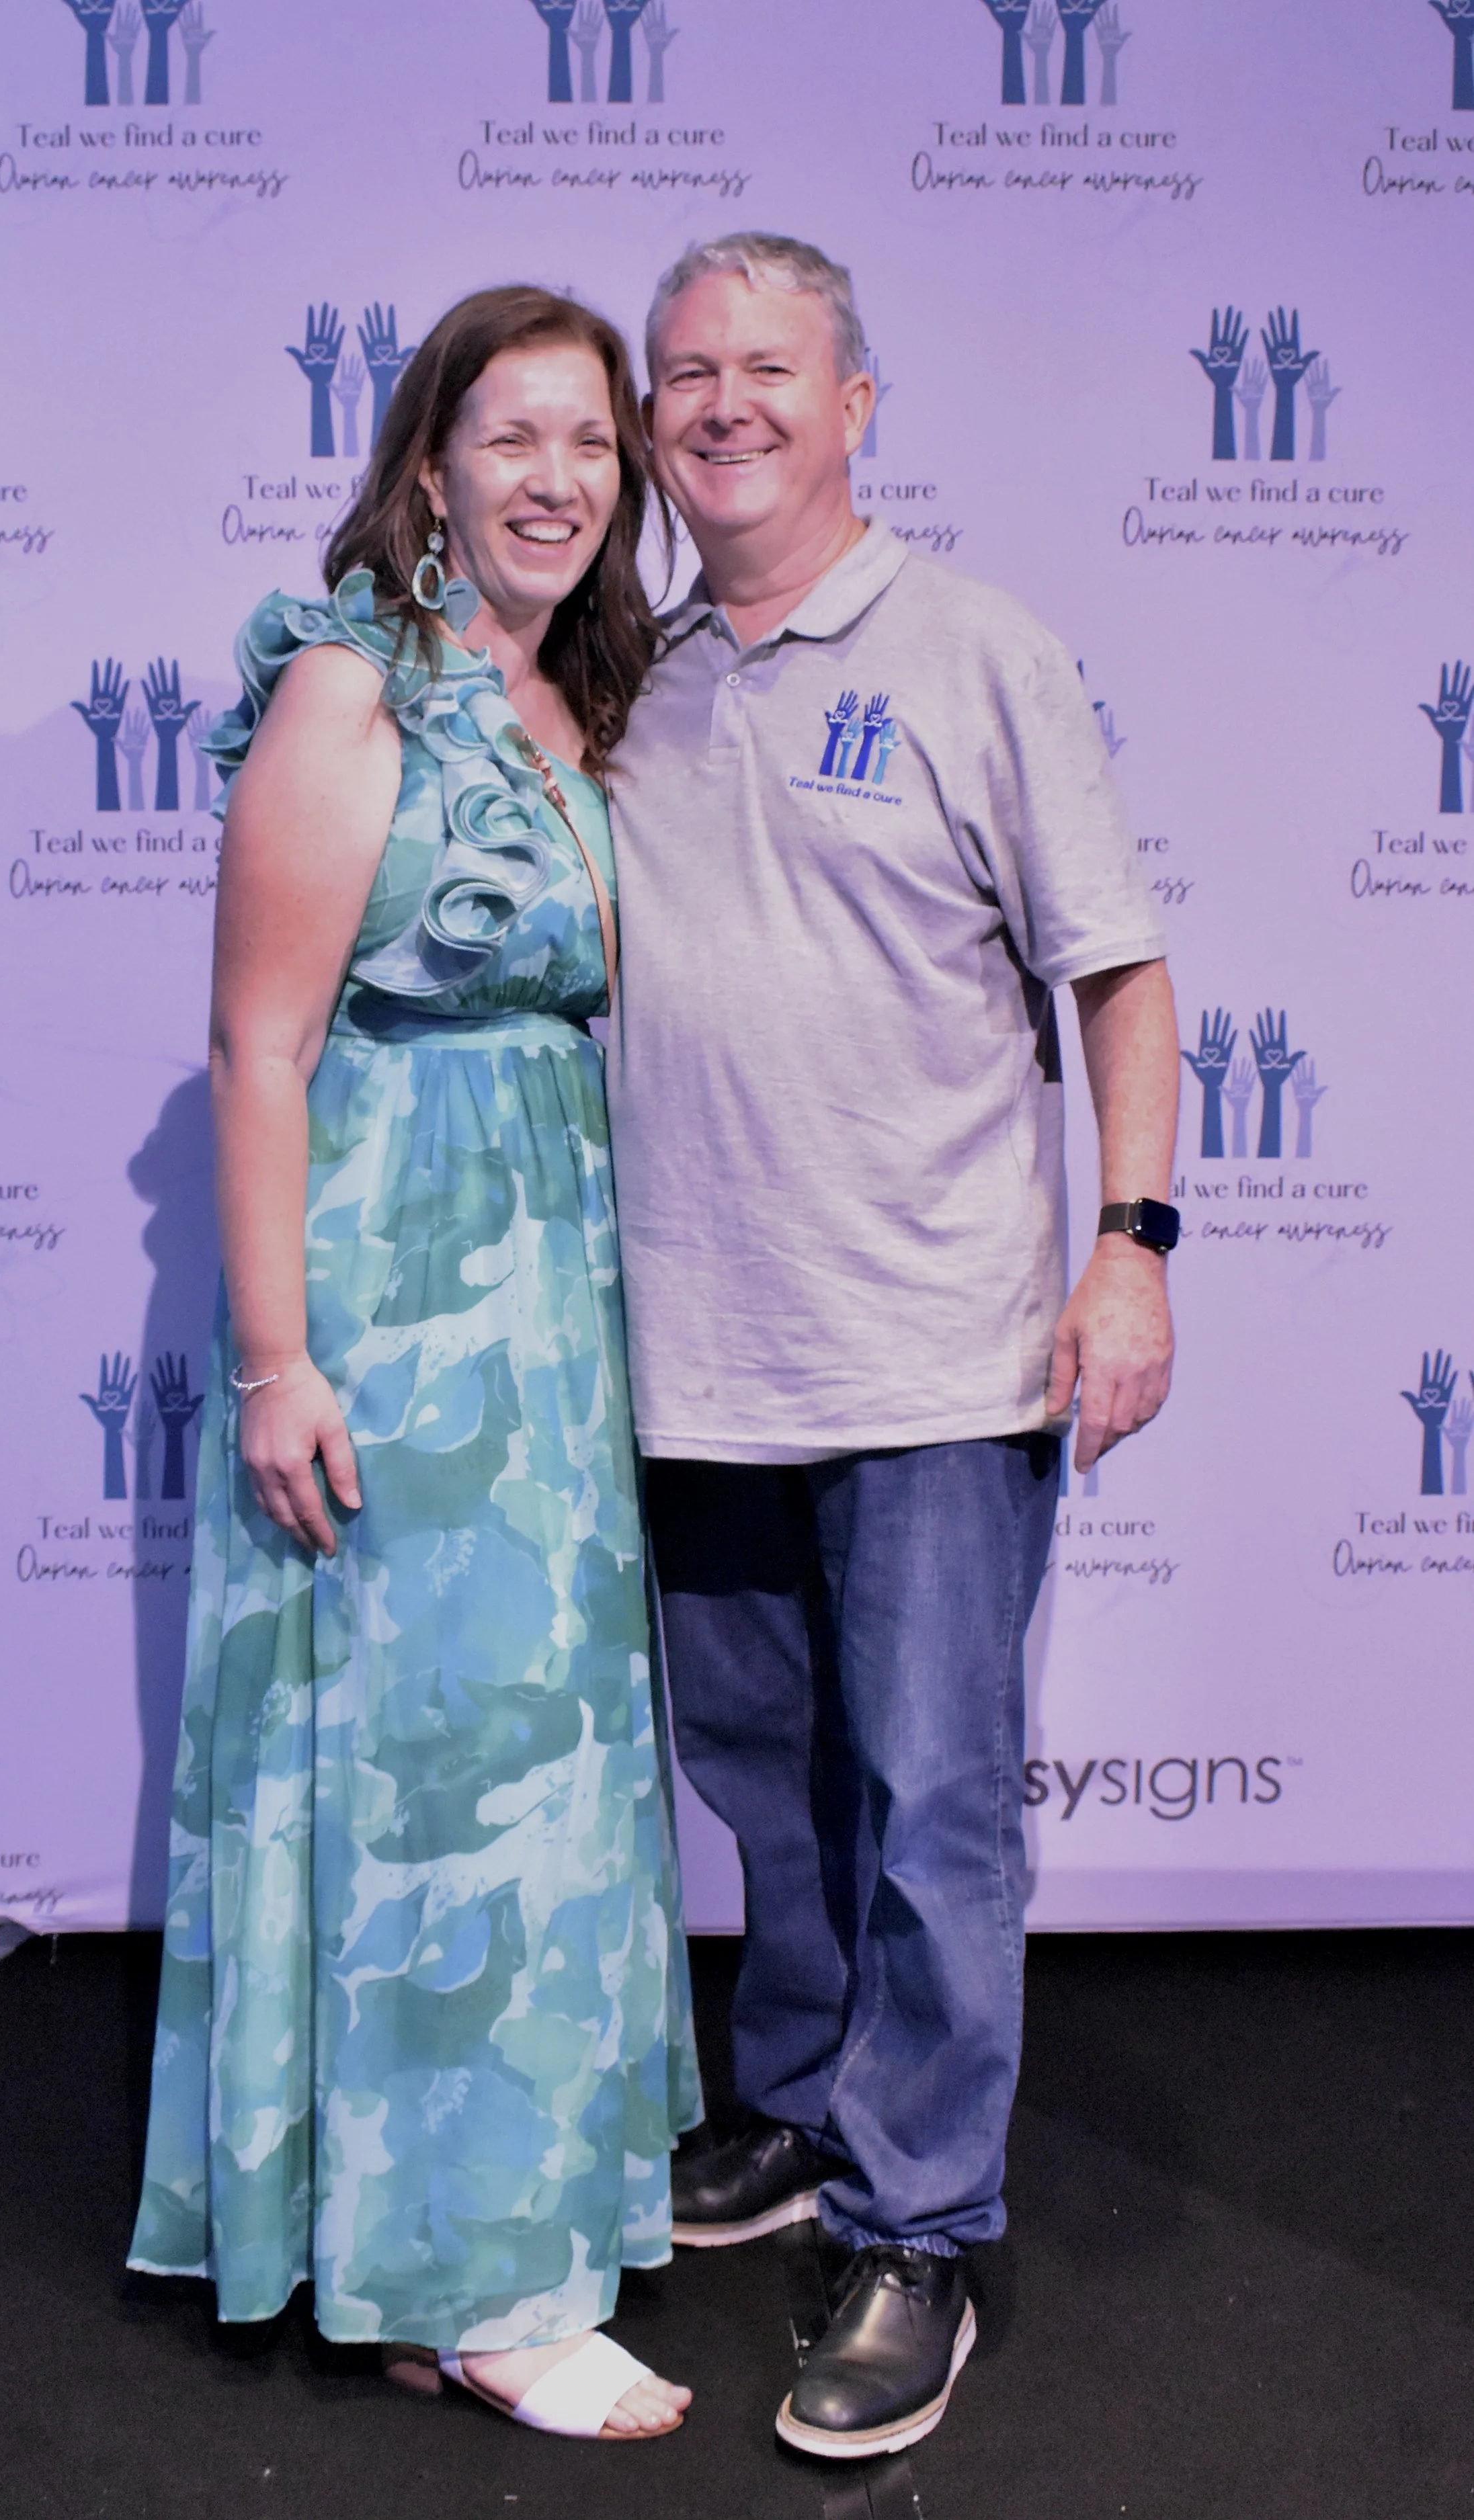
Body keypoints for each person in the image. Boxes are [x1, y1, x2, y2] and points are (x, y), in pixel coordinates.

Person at [606, 234, 1180, 2461]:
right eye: (681, 376)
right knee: (763, 1785)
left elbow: (1116, 978)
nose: (716, 405)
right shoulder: (627, 677)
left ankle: (921, 2218)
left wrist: (1129, 1244)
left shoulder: (975, 651)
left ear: (858, 402)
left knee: (934, 1802)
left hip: (934, 1358)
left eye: (766, 367)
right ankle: (798, 2110)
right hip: (698, 1360)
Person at [127, 286, 699, 2444]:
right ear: (433, 463)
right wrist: (277, 1359)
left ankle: (438, 2235)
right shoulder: (353, 686)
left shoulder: (569, 699)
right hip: (395, 1296)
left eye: (594, 441)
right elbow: (255, 1043)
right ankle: (472, 2283)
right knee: (447, 1786)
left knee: (519, 1755)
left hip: (554, 1291)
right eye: (515, 433)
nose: (559, 474)